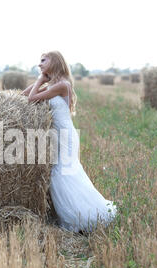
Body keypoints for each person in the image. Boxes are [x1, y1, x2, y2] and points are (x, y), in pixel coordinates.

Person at [22, 51, 117, 232]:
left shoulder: (63, 85)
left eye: (43, 60)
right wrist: (40, 80)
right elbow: (23, 95)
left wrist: (40, 81)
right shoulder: (55, 84)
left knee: (62, 174)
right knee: (61, 173)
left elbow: (31, 99)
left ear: (55, 62)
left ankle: (83, 216)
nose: (39, 64)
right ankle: (75, 214)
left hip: (65, 136)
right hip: (59, 136)